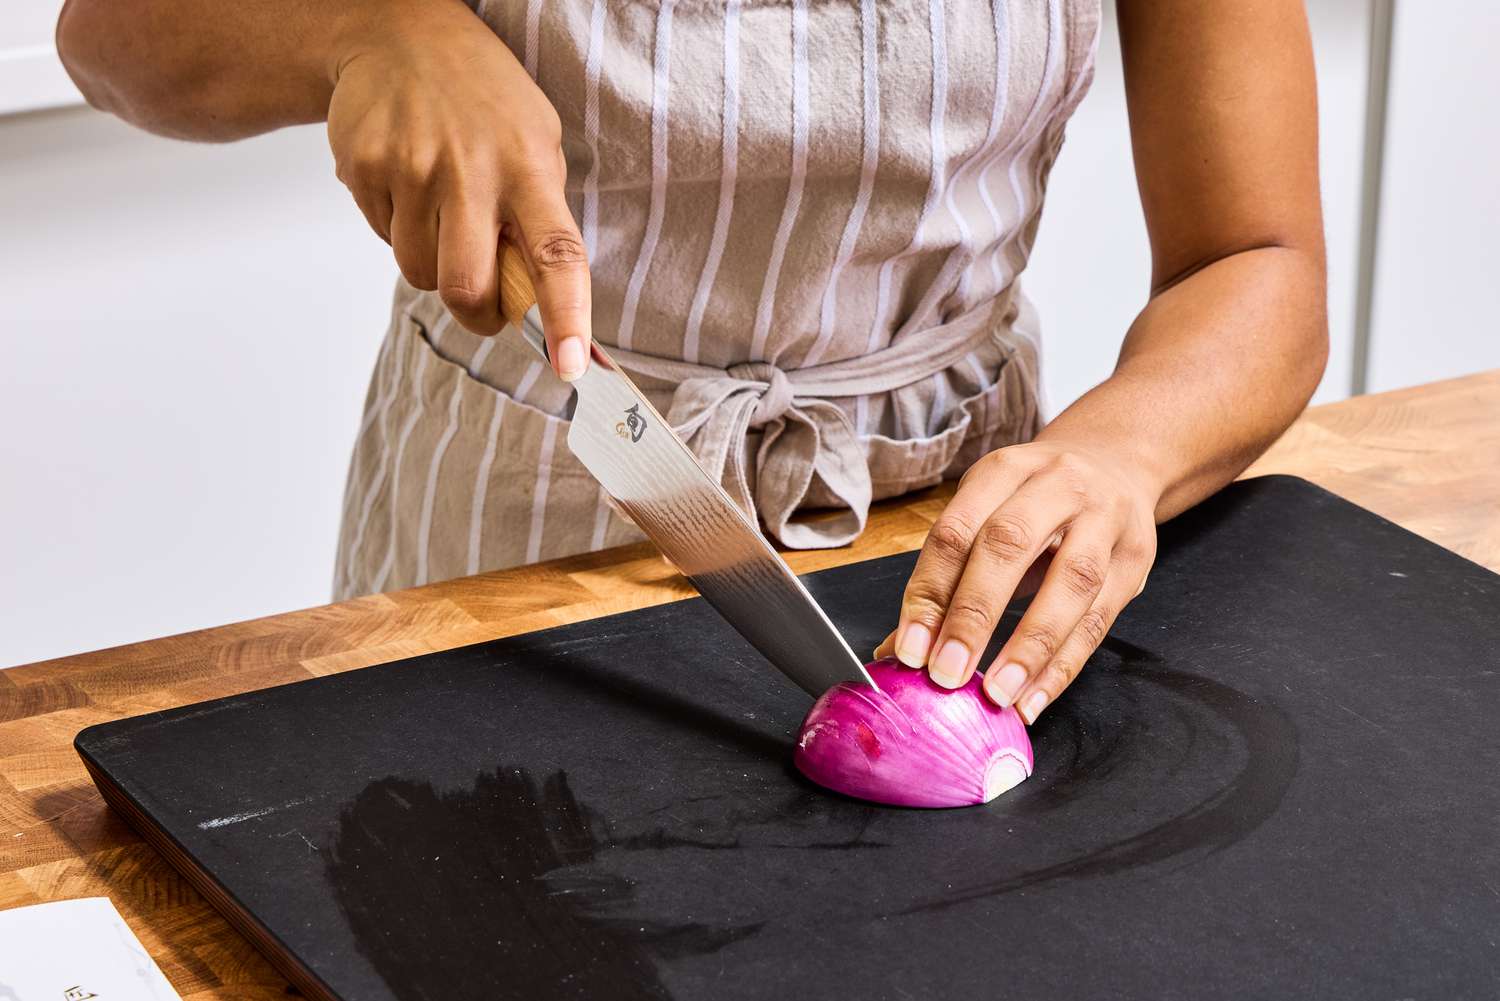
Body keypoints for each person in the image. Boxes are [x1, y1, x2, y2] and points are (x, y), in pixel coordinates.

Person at [57, 0, 1327, 725]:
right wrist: (365, 30)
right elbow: (111, 35)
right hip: (507, 522)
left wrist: (1120, 454)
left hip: (957, 549)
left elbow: (1257, 258)